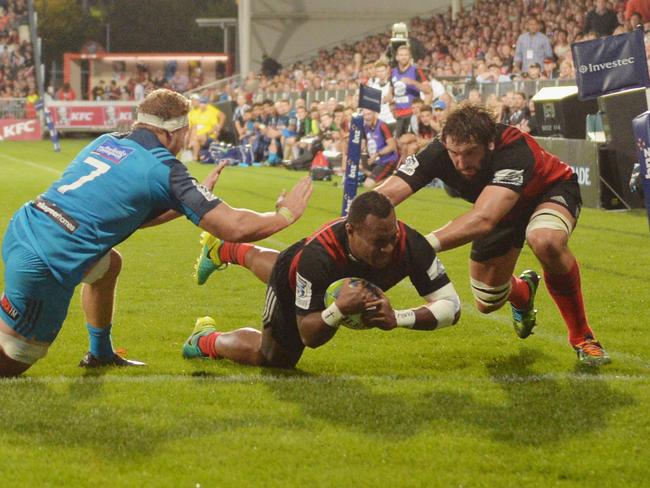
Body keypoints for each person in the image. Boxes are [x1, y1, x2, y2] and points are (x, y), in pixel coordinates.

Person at [0, 88, 313, 377]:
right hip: (49, 262)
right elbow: (233, 226)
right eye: (185, 131)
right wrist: (285, 215)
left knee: (108, 267)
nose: (187, 139)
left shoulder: (107, 141)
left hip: (27, 227)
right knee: (10, 362)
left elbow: (127, 216)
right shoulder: (164, 169)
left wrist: (186, 204)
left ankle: (100, 353)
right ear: (170, 132)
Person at [375, 102, 610, 365]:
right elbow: (386, 194)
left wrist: (421, 245)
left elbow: (484, 218)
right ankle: (522, 292)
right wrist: (351, 225)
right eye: (454, 153)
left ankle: (582, 337)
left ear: (489, 144)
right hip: (501, 209)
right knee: (487, 301)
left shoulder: (513, 148)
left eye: (470, 153)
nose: (461, 162)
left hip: (548, 192)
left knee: (545, 240)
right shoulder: (439, 151)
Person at [183, 191, 461, 369]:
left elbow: (452, 306)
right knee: (272, 360)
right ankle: (205, 339)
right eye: (379, 242)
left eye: (392, 238)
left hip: (324, 275)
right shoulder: (317, 256)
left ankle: (224, 249)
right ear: (350, 231)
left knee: (302, 276)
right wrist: (338, 309)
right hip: (293, 277)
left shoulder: (410, 243)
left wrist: (398, 318)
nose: (389, 249)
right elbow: (309, 335)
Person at [390, 45, 431, 138]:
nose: (403, 57)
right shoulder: (393, 72)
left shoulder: (416, 71)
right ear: (397, 57)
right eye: (401, 55)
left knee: (410, 141)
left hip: (412, 113)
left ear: (410, 57)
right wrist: (391, 105)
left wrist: (413, 82)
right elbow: (391, 92)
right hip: (398, 115)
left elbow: (428, 90)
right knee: (399, 143)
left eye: (406, 55)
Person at [361, 108, 399, 188]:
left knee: (368, 185)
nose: (366, 117)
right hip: (376, 161)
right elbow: (363, 145)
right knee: (361, 168)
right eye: (364, 115)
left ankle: (395, 178)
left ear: (375, 114)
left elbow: (392, 146)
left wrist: (376, 154)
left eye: (369, 114)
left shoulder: (382, 125)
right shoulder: (365, 127)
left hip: (388, 160)